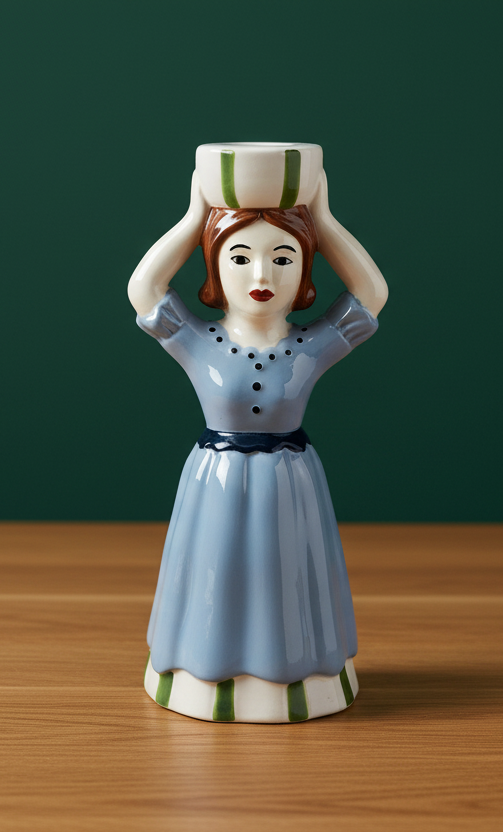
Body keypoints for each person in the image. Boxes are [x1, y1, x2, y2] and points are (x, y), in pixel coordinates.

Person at [128, 169, 387, 722]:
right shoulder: (197, 340)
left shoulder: (311, 346)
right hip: (216, 480)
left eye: (284, 258)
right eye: (240, 257)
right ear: (215, 269)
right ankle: (201, 672)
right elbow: (143, 289)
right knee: (214, 572)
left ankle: (297, 673)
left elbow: (372, 295)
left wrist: (323, 220)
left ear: (305, 273)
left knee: (287, 576)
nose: (262, 275)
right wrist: (195, 217)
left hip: (289, 481)